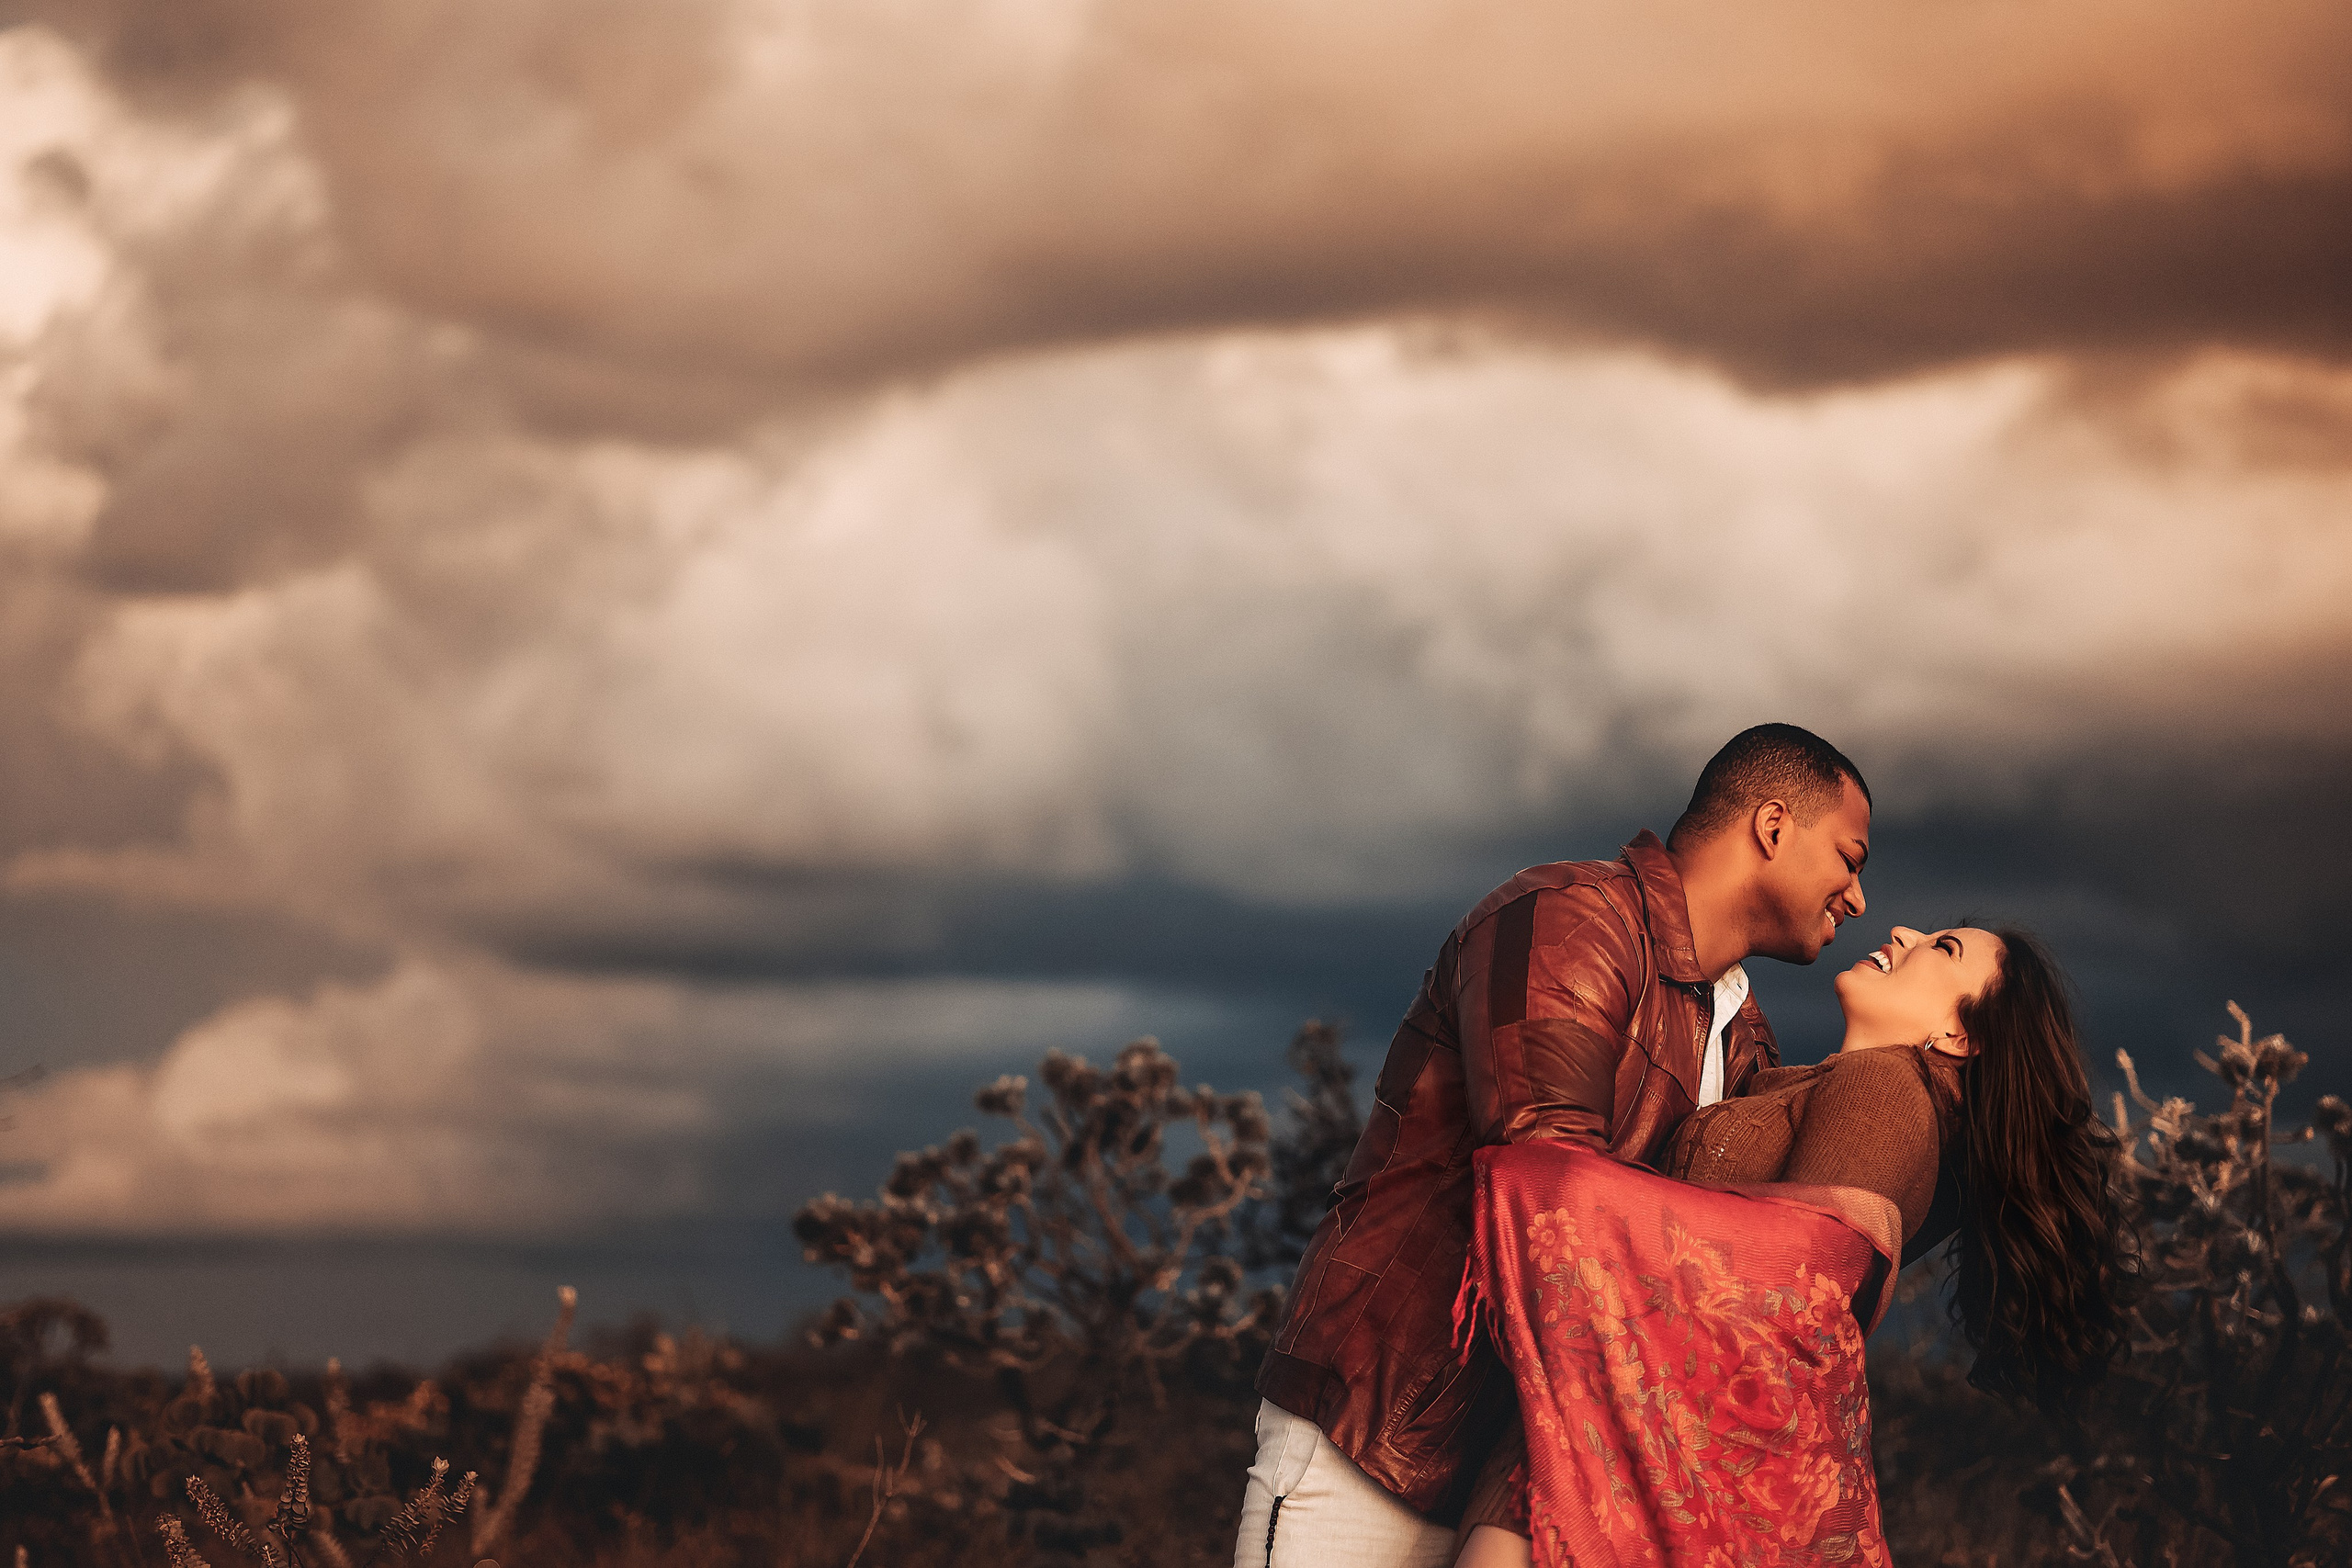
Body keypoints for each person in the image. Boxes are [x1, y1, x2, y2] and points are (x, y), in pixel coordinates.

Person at [1236, 724, 1874, 1568]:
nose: (1857, 897)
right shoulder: (1573, 918)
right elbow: (1548, 1191)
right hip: (1378, 1444)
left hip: (1529, 1477)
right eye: (1850, 856)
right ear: (1772, 825)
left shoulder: (1741, 1029)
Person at [1450, 922, 2136, 1567]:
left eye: (1942, 946)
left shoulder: (1889, 1092)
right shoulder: (1854, 1091)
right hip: (1603, 1431)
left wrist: (1562, 1191)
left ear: (1958, 1031)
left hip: (1634, 1461)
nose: (1901, 934)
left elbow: (1787, 1298)